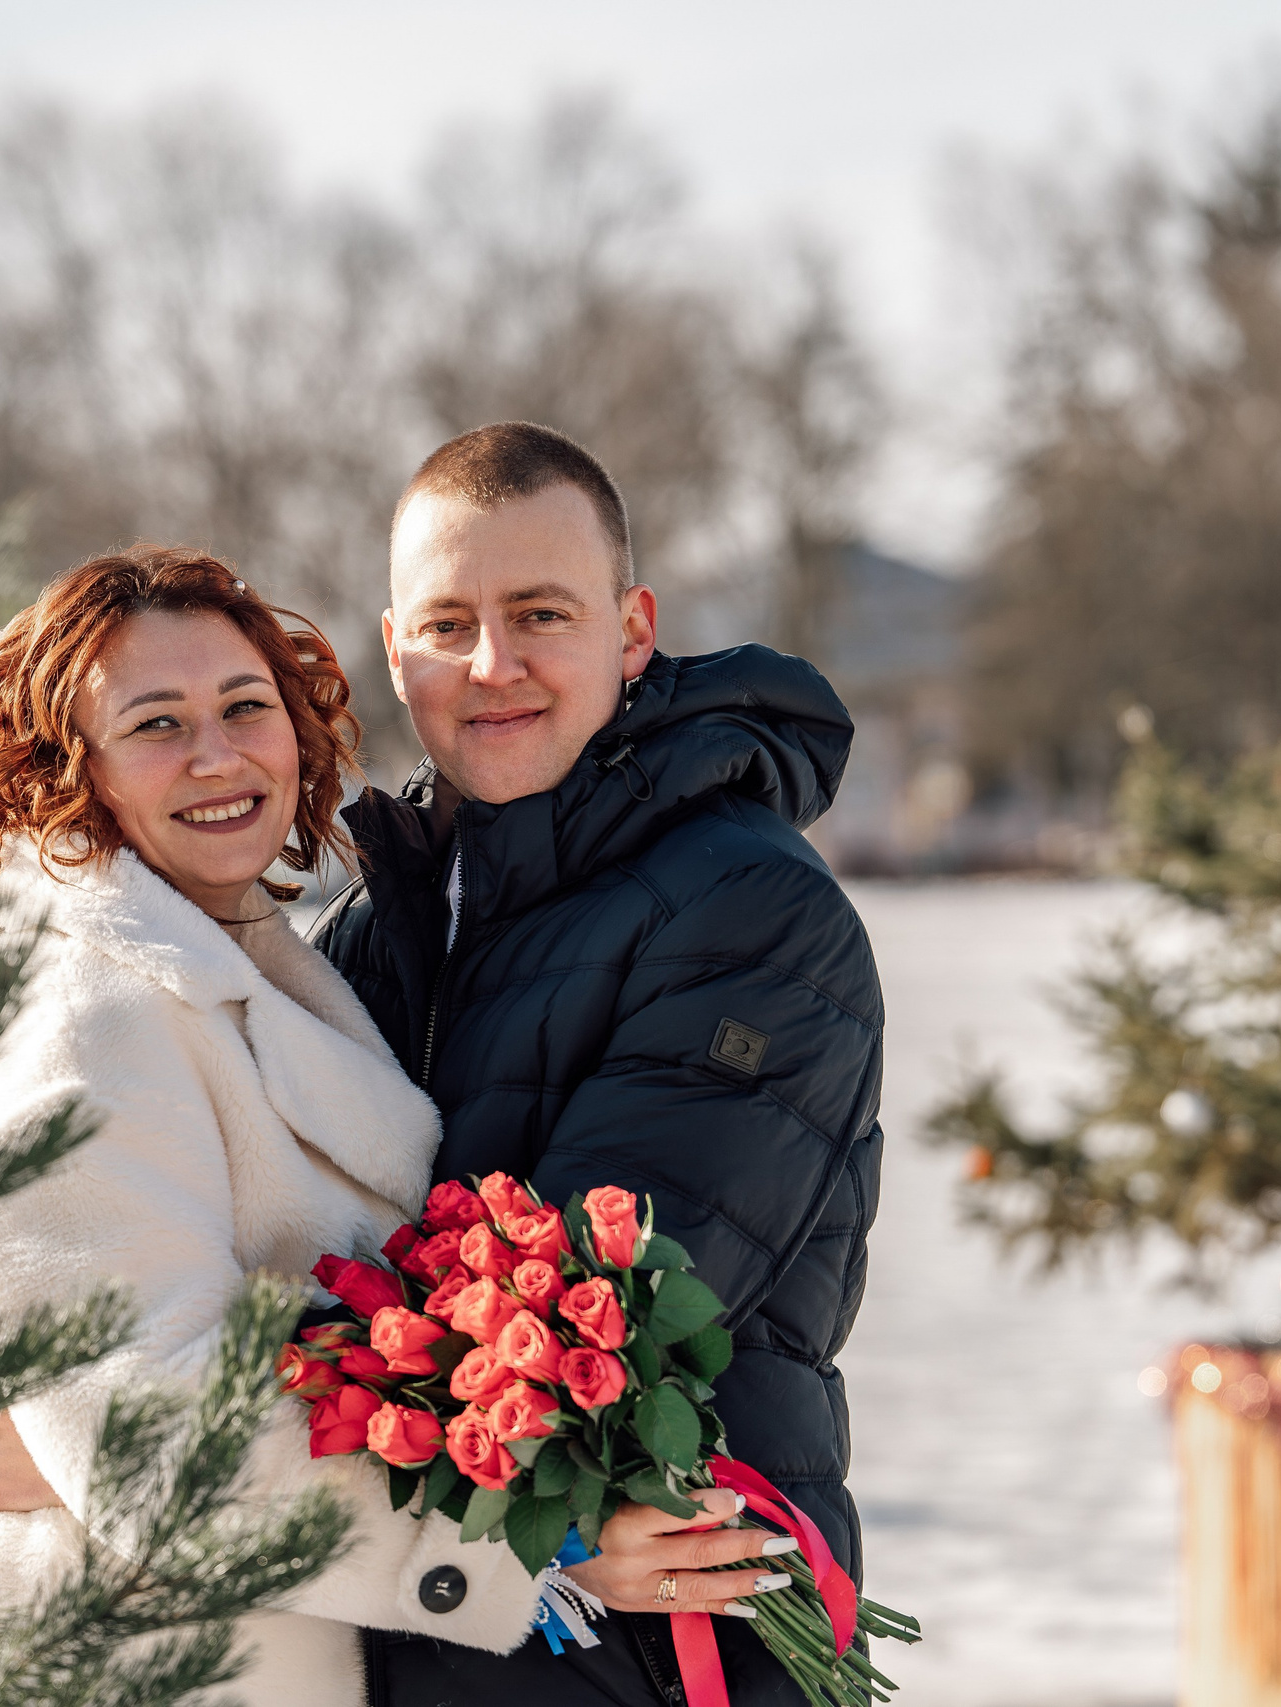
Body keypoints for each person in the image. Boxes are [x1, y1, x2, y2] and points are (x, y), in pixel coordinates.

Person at [0, 548, 563, 1703]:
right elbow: (146, 1442)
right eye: (155, 724)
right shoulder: (80, 1013)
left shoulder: (226, 962)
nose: (217, 754)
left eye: (246, 706)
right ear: (69, 771)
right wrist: (518, 1551)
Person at [314, 422, 885, 1706]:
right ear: (395, 649)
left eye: (540, 614)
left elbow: (584, 1318)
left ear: (631, 631)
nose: (492, 663)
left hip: (660, 1646)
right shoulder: (371, 929)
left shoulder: (746, 910)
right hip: (432, 1635)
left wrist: (157, 1440)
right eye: (448, 623)